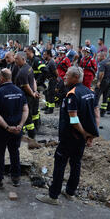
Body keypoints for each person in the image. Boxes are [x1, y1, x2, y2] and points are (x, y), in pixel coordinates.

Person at [36, 66, 99, 205]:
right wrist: (91, 136)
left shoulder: (72, 94)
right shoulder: (89, 92)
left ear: (75, 78)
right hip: (80, 139)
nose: (64, 77)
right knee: (76, 164)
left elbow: (74, 119)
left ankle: (53, 196)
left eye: (67, 75)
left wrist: (83, 133)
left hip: (70, 137)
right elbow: (96, 114)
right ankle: (70, 192)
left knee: (60, 165)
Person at [0, 68, 28, 188]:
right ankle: (16, 178)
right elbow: (25, 109)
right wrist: (20, 125)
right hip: (16, 130)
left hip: (1, 131)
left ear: (2, 78)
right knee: (14, 152)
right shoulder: (20, 91)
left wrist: (7, 127)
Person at [14, 52, 39, 139]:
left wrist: (32, 94)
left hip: (26, 97)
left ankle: (31, 135)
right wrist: (35, 92)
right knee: (30, 115)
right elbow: (33, 80)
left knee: (26, 117)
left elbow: (26, 86)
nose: (15, 60)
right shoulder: (29, 67)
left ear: (23, 59)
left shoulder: (22, 72)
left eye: (17, 59)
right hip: (31, 95)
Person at [95, 52, 110, 117]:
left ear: (103, 56)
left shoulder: (102, 63)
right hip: (109, 81)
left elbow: (102, 73)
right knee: (105, 97)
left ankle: (94, 111)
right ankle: (102, 112)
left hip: (103, 81)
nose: (97, 58)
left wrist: (99, 82)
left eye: (98, 56)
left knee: (96, 96)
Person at [43, 49, 57, 114]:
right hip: (48, 80)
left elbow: (56, 72)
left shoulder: (52, 62)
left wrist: (55, 79)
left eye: (45, 54)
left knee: (51, 94)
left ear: (48, 55)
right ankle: (47, 106)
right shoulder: (47, 61)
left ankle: (51, 109)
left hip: (52, 80)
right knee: (47, 93)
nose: (43, 55)